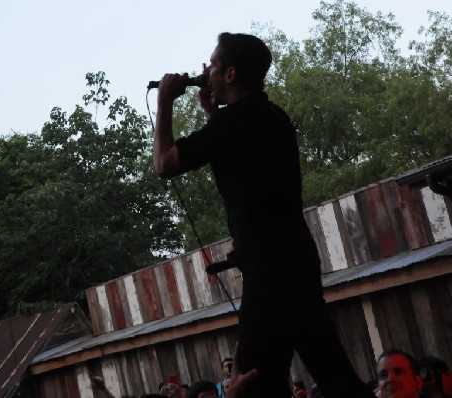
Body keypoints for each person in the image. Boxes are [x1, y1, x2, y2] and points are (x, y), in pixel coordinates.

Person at [153, 32, 375, 398]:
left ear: (230, 74)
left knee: (251, 383)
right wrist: (212, 112)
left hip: (269, 272)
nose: (205, 70)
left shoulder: (232, 125)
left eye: (213, 65)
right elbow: (243, 157)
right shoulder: (274, 116)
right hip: (297, 262)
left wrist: (164, 101)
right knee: (335, 376)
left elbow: (164, 164)